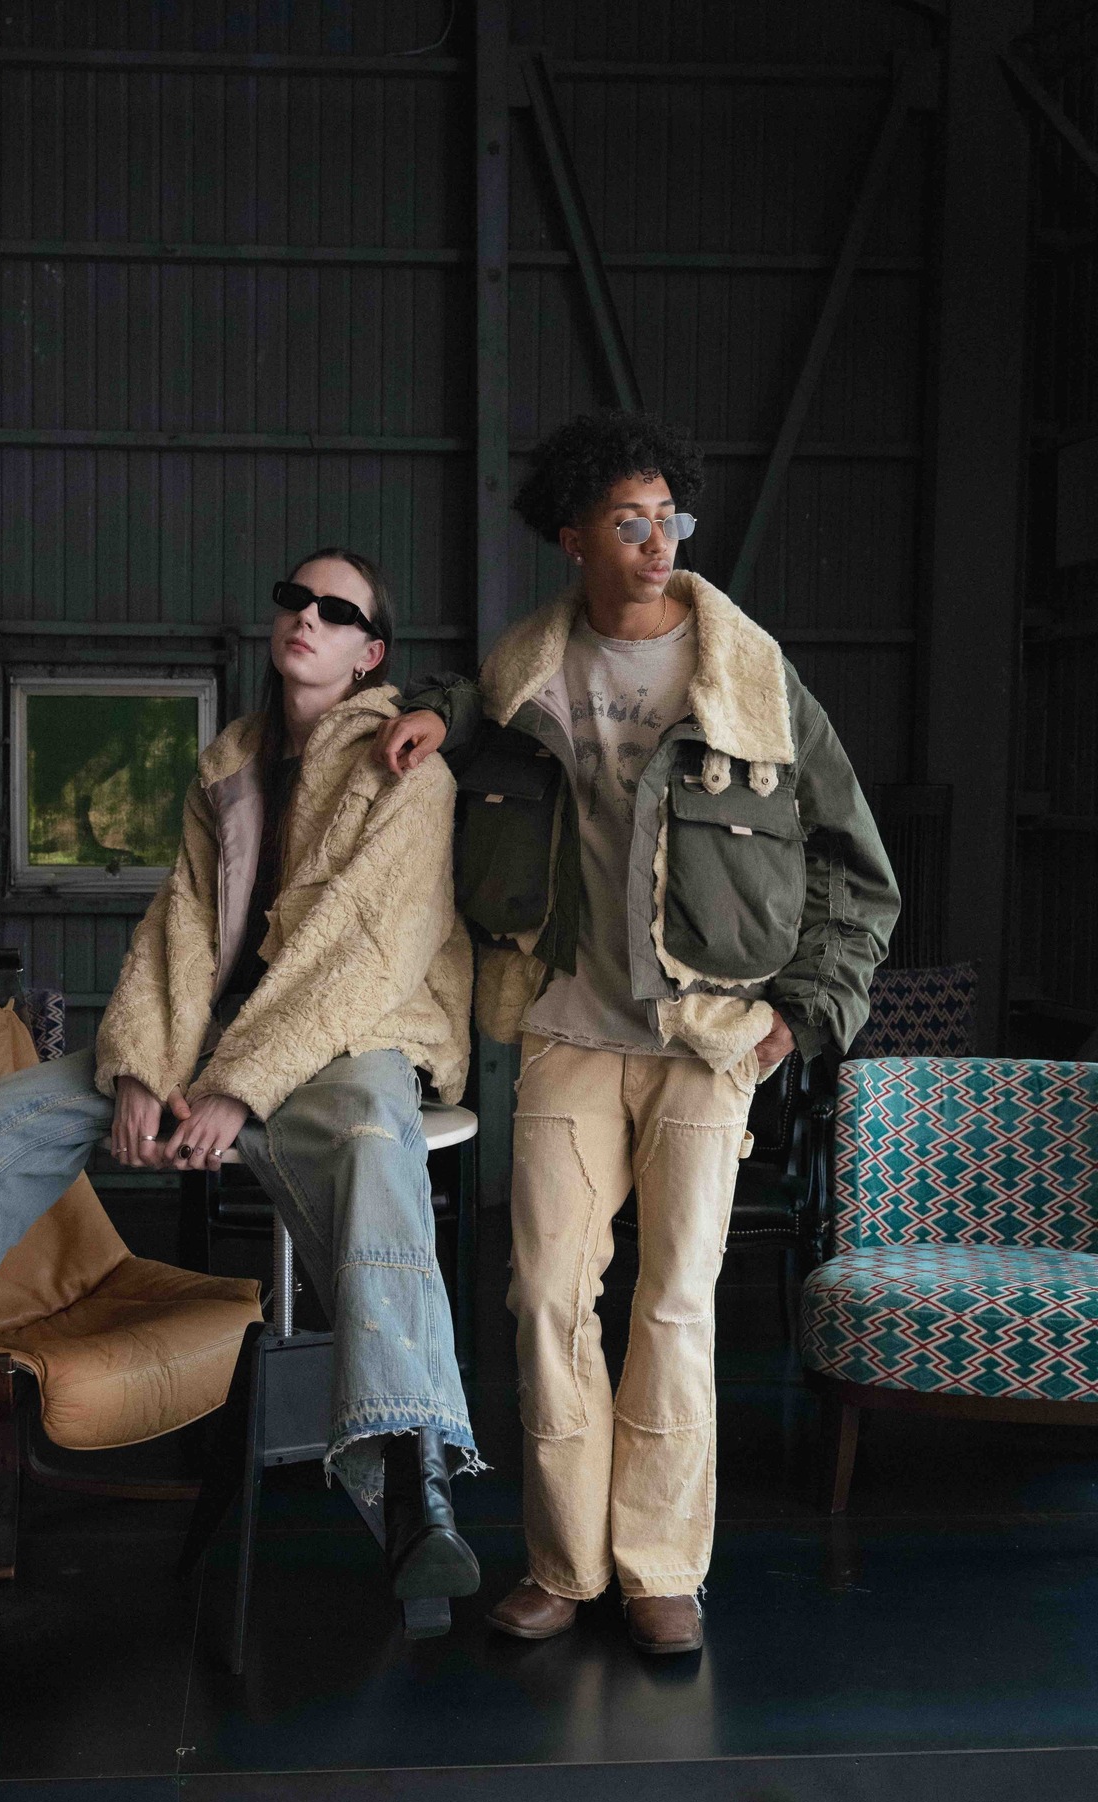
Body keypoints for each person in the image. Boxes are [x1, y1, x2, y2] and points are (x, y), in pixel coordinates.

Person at [0, 548, 481, 1615]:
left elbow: (359, 955)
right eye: (294, 599)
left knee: (372, 1139)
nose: (306, 617)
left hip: (353, 1033)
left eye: (336, 610)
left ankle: (415, 1477)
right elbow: (177, 935)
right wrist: (140, 1070)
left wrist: (234, 1089)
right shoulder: (230, 768)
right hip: (215, 1039)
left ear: (371, 655)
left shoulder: (412, 774)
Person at [376, 410, 900, 1654]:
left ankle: (661, 1567)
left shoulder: (750, 680)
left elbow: (855, 869)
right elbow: (462, 702)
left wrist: (796, 1015)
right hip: (565, 1030)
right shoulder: (526, 674)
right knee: (543, 1297)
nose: (658, 541)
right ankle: (563, 1565)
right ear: (573, 537)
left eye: (669, 517)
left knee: (672, 1304)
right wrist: (433, 713)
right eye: (628, 521)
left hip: (708, 1041)